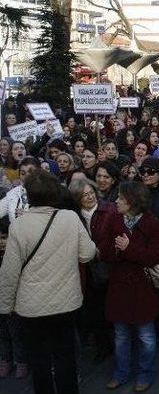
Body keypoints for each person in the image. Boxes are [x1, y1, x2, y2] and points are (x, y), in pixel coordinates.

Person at [0, 169, 96, 394]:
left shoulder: (19, 225)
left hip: (31, 307)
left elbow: (9, 272)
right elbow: (88, 254)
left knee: (40, 360)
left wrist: (5, 307)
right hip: (66, 302)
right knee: (65, 357)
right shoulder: (70, 217)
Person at [98, 181, 159, 392]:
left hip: (143, 289)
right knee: (121, 335)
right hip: (119, 287)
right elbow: (105, 251)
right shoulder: (114, 219)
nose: (116, 201)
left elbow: (154, 256)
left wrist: (128, 248)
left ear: (133, 202)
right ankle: (121, 373)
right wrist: (117, 250)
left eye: (121, 198)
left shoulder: (153, 223)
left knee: (146, 337)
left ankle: (145, 374)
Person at [68, 178, 117, 364]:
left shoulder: (110, 209)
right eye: (84, 195)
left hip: (108, 268)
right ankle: (103, 347)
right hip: (86, 271)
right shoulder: (73, 216)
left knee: (113, 309)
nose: (89, 197)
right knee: (95, 312)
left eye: (91, 193)